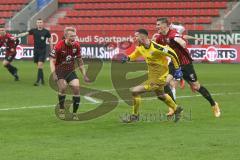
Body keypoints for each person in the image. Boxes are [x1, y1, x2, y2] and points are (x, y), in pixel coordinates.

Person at [155, 18, 220, 117]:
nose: (157, 26)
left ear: (165, 25)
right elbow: (155, 47)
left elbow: (178, 38)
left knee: (196, 86)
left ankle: (214, 104)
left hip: (185, 63)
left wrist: (181, 42)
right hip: (173, 63)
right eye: (157, 24)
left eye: (158, 24)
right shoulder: (160, 37)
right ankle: (174, 108)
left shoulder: (172, 33)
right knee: (165, 83)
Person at [121, 29, 183, 123]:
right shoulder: (140, 48)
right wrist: (127, 58)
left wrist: (177, 69)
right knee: (161, 95)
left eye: (136, 36)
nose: (135, 38)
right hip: (152, 77)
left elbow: (172, 53)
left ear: (143, 36)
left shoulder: (156, 47)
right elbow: (135, 54)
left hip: (160, 77)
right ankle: (177, 108)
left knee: (135, 91)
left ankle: (135, 116)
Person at [49, 27, 90, 120]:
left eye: (74, 36)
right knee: (63, 88)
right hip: (60, 71)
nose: (74, 38)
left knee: (76, 88)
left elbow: (80, 61)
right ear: (66, 36)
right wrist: (54, 74)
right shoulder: (59, 46)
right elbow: (52, 61)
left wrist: (84, 74)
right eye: (71, 36)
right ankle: (62, 109)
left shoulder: (76, 46)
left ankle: (74, 114)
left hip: (70, 71)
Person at [17, 18, 52, 86]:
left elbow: (50, 41)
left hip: (43, 50)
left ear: (42, 23)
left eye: (40, 22)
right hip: (36, 51)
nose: (39, 23)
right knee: (39, 66)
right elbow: (25, 33)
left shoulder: (46, 32)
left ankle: (38, 81)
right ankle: (42, 81)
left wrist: (52, 50)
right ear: (36, 24)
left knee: (39, 65)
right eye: (38, 22)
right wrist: (18, 36)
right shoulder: (33, 30)